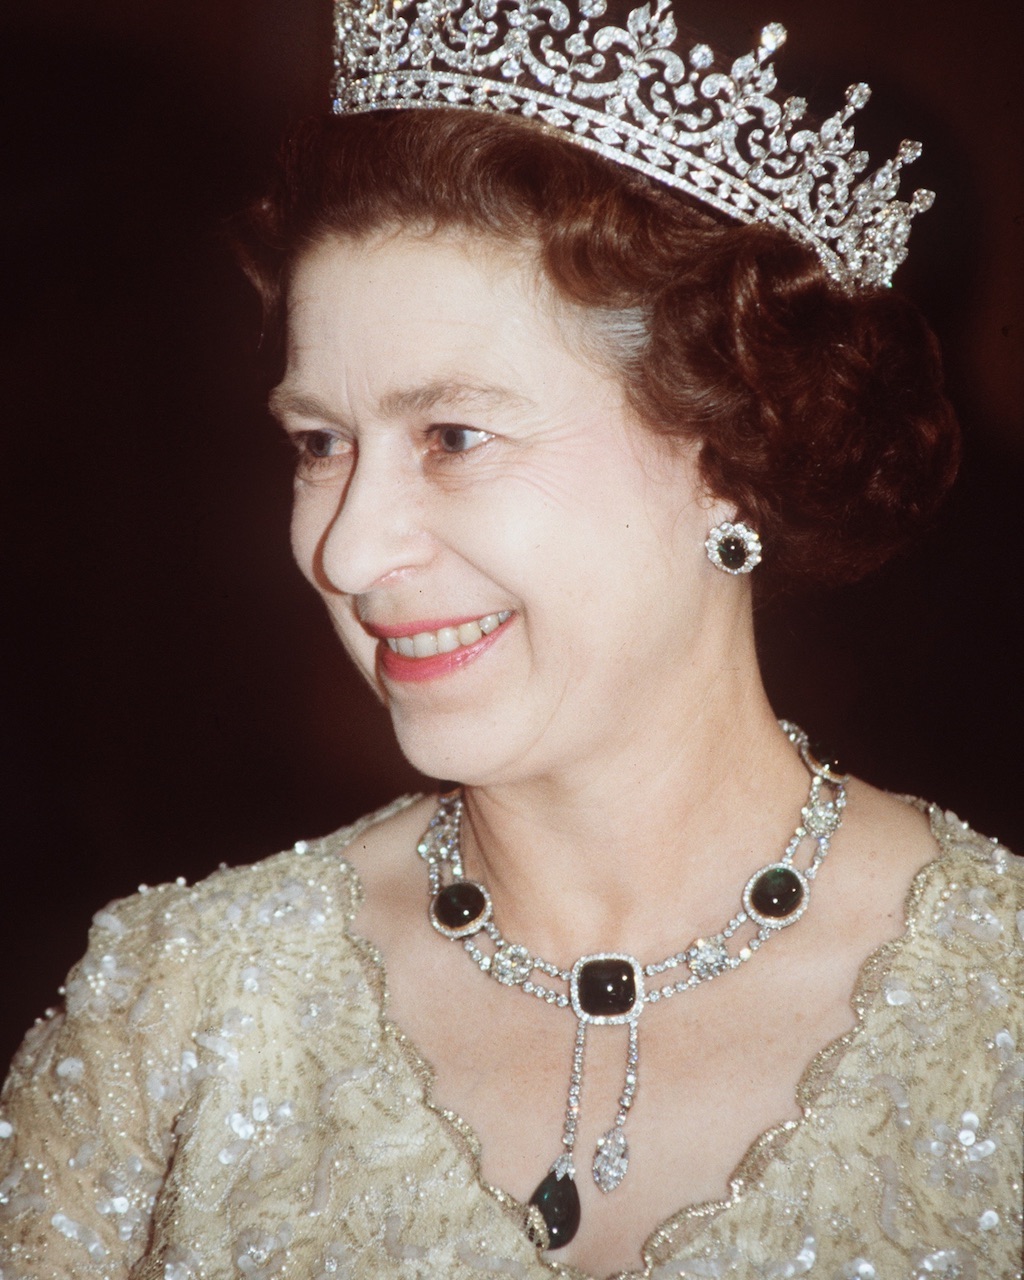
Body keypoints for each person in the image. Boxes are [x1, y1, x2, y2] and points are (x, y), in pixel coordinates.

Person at [2, 1, 1021, 1275]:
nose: (349, 550)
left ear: (732, 452)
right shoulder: (179, 1009)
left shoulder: (1005, 1010)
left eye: (453, 437)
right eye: (319, 444)